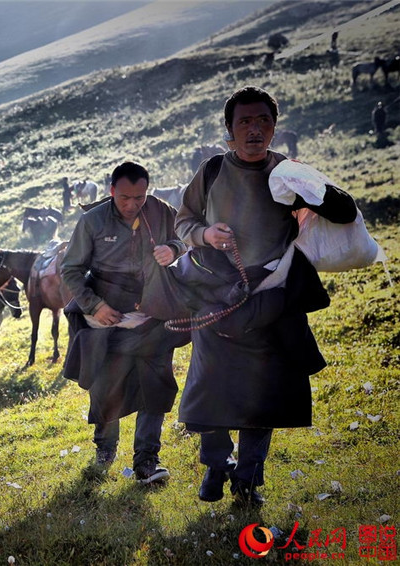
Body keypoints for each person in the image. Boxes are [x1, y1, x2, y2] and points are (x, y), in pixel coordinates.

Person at [174, 86, 357, 506]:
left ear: (274, 127)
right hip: (215, 293)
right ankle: (217, 463)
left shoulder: (289, 173)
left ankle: (248, 480)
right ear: (229, 129)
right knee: (210, 386)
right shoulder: (212, 170)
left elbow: (344, 212)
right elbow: (184, 222)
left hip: (273, 293)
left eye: (264, 121)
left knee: (266, 390)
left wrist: (314, 189)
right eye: (245, 122)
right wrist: (205, 234)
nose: (254, 130)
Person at [61, 161, 191, 484]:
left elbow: (185, 238)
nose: (133, 205)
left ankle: (147, 460)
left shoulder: (161, 211)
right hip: (106, 311)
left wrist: (172, 249)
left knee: (156, 383)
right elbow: (71, 271)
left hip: (153, 308)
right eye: (125, 198)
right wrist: (96, 305)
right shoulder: (92, 221)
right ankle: (104, 450)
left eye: (140, 198)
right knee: (106, 386)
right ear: (111, 192)